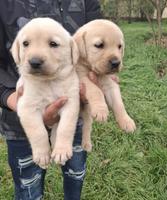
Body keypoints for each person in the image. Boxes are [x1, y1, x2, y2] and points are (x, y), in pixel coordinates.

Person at [0, 0, 101, 199]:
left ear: (72, 51)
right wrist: (11, 97)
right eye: (26, 44)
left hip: (74, 119)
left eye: (53, 44)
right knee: (28, 189)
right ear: (18, 50)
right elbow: (26, 108)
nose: (36, 58)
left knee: (75, 174)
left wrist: (97, 76)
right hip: (18, 124)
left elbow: (98, 47)